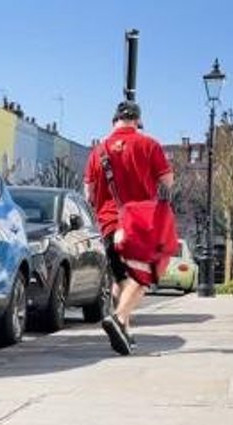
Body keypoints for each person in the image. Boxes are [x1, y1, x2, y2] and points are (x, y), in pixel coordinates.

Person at [84, 101, 175, 356]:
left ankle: (125, 331)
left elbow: (88, 192)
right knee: (144, 275)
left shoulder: (98, 151)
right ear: (137, 121)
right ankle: (119, 317)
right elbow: (167, 181)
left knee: (121, 279)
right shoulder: (149, 144)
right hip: (139, 222)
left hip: (109, 223)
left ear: (115, 121)